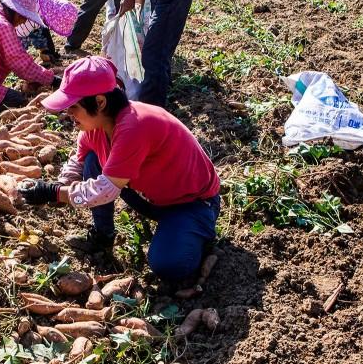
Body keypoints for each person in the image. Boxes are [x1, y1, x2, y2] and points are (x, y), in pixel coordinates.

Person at [18, 57, 220, 289]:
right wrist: (59, 184)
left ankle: (199, 234)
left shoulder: (134, 126)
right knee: (93, 160)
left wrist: (54, 193)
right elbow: (79, 160)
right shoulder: (97, 126)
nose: (68, 114)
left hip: (191, 203)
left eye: (73, 107)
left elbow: (104, 191)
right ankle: (103, 236)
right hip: (152, 198)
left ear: (100, 102)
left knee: (169, 266)